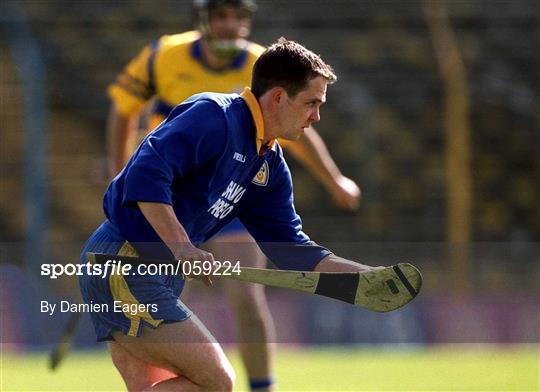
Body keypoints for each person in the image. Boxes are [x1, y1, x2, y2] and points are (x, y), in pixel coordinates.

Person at [80, 38, 419, 391]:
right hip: (123, 264)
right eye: (311, 104)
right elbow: (143, 176)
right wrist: (182, 247)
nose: (316, 117)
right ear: (277, 98)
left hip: (156, 275)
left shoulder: (269, 166)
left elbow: (292, 250)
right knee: (217, 382)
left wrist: (365, 278)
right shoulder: (213, 116)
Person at [105, 1, 360, 390]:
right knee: (198, 353)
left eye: (238, 16)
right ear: (203, 20)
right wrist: (120, 173)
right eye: (220, 15)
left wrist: (335, 182)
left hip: (230, 195)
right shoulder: (168, 60)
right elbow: (125, 116)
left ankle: (262, 385)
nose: (230, 25)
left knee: (246, 297)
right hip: (167, 202)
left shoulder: (266, 68)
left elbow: (293, 243)